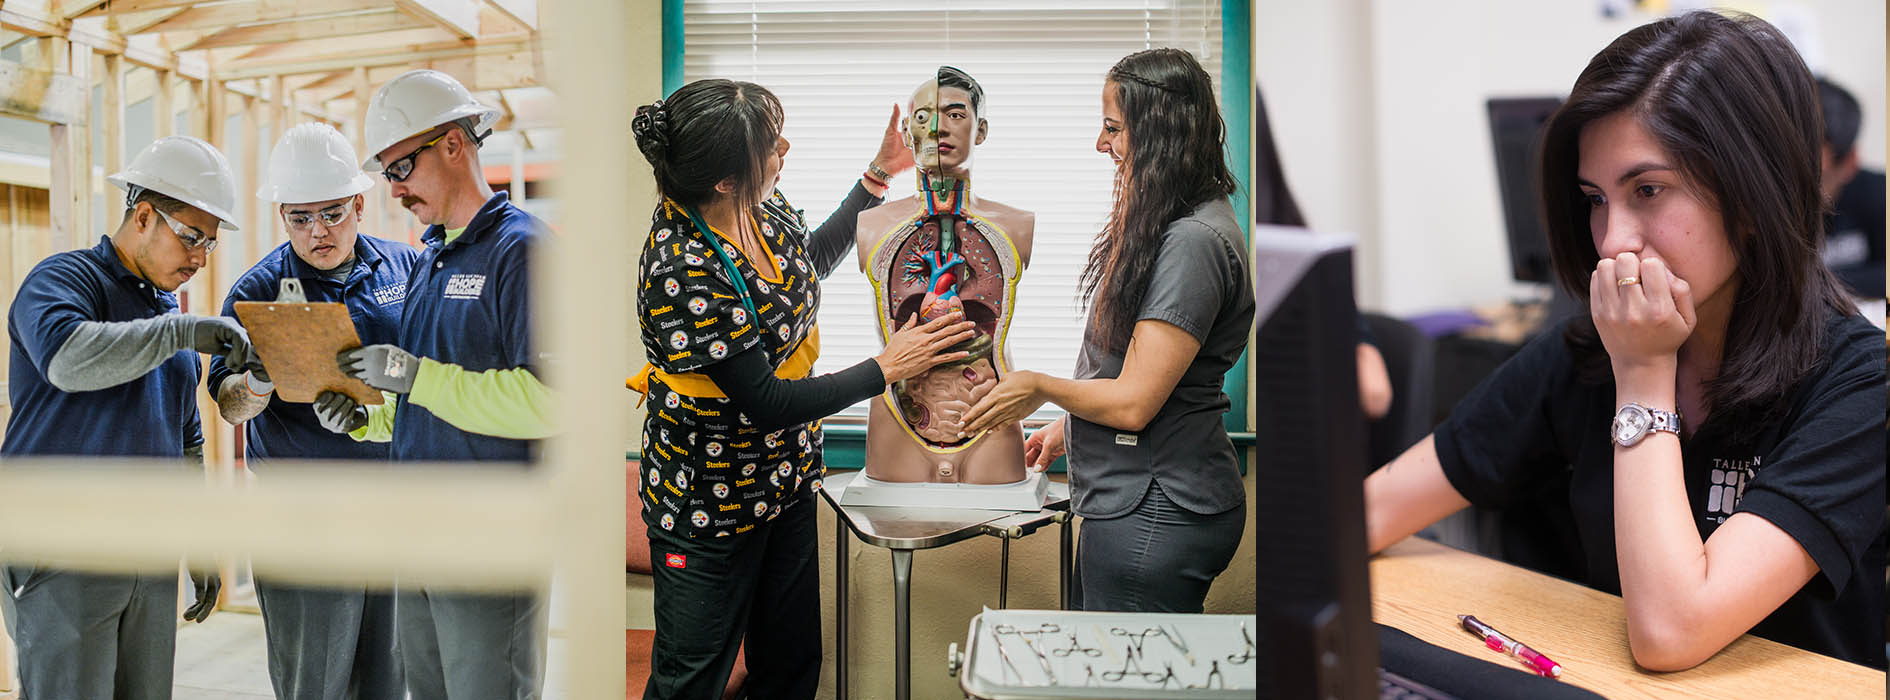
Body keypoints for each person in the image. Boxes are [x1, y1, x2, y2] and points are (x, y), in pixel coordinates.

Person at [1363, 11, 1886, 671]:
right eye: (1595, 199)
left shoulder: (1860, 383)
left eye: (1648, 190)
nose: (1612, 242)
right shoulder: (1586, 353)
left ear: (1754, 198)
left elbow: (1671, 632)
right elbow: (1368, 513)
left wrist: (1643, 377)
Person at [628, 78, 975, 697]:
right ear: (725, 179)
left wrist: (878, 176)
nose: (783, 148)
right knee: (691, 681)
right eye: (770, 145)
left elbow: (807, 264)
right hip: (706, 504)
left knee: (790, 664)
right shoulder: (681, 265)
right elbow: (767, 402)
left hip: (785, 484)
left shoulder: (759, 208)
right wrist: (887, 367)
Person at [960, 47, 1252, 613]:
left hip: (1158, 508)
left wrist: (1040, 388)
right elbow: (1136, 371)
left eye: (1113, 128)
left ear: (1160, 131)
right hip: (1142, 496)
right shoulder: (1178, 221)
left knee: (1124, 662)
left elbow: (1136, 403)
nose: (1101, 144)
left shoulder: (1193, 243)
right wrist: (1070, 428)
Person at [313, 68, 555, 698]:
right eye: (387, 173)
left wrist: (417, 376)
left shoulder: (523, 251)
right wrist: (367, 419)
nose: (394, 188)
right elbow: (420, 402)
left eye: (401, 167)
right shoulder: (431, 259)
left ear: (452, 144)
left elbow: (551, 402)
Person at [0, 135, 255, 698]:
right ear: (143, 216)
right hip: (62, 552)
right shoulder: (64, 280)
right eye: (191, 236)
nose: (200, 258)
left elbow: (185, 442)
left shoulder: (165, 312)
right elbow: (67, 360)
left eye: (210, 243)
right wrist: (181, 331)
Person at [210, 122, 416, 700]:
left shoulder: (408, 269)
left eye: (331, 213)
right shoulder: (257, 291)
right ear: (282, 216)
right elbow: (228, 407)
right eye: (300, 218)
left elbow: (435, 375)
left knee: (389, 676)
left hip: (396, 505)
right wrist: (258, 380)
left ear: (359, 204)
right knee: (314, 679)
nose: (318, 231)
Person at [855, 66, 1037, 485]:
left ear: (981, 130)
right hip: (897, 416)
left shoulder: (1016, 226)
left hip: (992, 412)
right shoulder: (872, 225)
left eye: (955, 114)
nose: (938, 128)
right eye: (923, 117)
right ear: (906, 132)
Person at [1813, 76, 1884, 298]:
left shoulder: (1878, 194)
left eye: (1818, 176)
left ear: (1850, 162)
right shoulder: (1763, 203)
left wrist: (1819, 285)